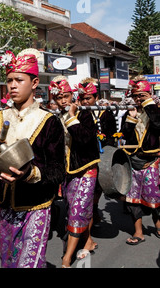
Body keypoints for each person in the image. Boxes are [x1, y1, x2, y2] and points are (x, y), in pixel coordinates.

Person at [0, 49, 65, 268]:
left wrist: (29, 173)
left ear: (34, 82)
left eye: (19, 79)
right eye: (9, 80)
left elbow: (58, 170)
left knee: (29, 264)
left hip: (36, 206)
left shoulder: (48, 121)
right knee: (7, 262)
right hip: (6, 205)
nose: (12, 85)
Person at [51, 77, 100, 268]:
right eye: (60, 97)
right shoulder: (56, 117)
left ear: (73, 95)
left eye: (66, 96)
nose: (63, 101)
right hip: (68, 172)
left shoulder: (84, 114)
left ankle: (66, 259)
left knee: (78, 211)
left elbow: (84, 139)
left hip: (86, 169)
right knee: (75, 209)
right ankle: (87, 241)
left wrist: (72, 118)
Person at [120, 76, 160, 245]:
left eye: (142, 95)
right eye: (136, 96)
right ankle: (139, 232)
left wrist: (149, 104)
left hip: (152, 161)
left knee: (156, 198)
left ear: (149, 95)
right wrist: (131, 119)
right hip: (133, 162)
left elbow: (158, 124)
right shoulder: (130, 113)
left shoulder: (156, 110)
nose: (138, 99)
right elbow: (125, 135)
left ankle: (158, 225)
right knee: (132, 200)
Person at [77, 77, 117, 227]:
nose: (85, 102)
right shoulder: (79, 113)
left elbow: (112, 136)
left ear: (96, 98)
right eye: (82, 98)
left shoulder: (105, 114)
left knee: (96, 190)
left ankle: (93, 212)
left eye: (88, 98)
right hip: (83, 157)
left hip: (100, 157)